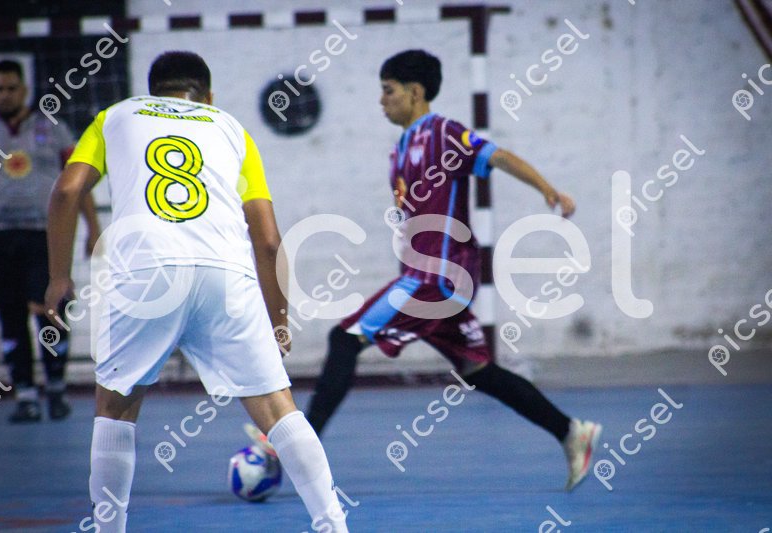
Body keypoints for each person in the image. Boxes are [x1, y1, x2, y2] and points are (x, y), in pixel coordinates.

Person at [44, 51, 348, 532]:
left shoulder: (115, 117)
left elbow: (65, 192)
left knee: (115, 409)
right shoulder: (232, 129)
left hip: (145, 272)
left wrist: (59, 278)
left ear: (152, 92)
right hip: (224, 274)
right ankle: (333, 524)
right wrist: (279, 321)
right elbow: (269, 241)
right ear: (208, 96)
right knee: (277, 409)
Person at [301, 49, 601, 491]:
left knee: (344, 338)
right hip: (433, 281)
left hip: (436, 280)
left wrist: (547, 188)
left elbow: (497, 156)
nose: (381, 100)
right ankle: (571, 432)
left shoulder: (443, 133)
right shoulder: (399, 150)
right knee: (478, 371)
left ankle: (296, 447)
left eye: (388, 90)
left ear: (415, 92)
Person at [0, 59, 101, 423]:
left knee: (51, 309)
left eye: (12, 88)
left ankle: (56, 389)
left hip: (44, 234)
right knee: (10, 315)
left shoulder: (53, 130)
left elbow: (77, 183)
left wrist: (94, 227)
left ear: (25, 90)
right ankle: (26, 396)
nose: (5, 95)